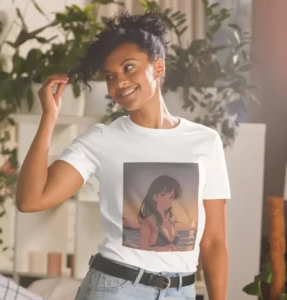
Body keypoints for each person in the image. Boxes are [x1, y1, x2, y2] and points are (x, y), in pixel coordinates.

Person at [16, 11, 231, 300]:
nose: (120, 82)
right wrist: (49, 118)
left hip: (182, 292)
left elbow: (215, 240)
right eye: (110, 76)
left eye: (129, 68)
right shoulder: (102, 139)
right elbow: (31, 200)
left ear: (157, 67)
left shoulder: (206, 141)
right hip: (116, 288)